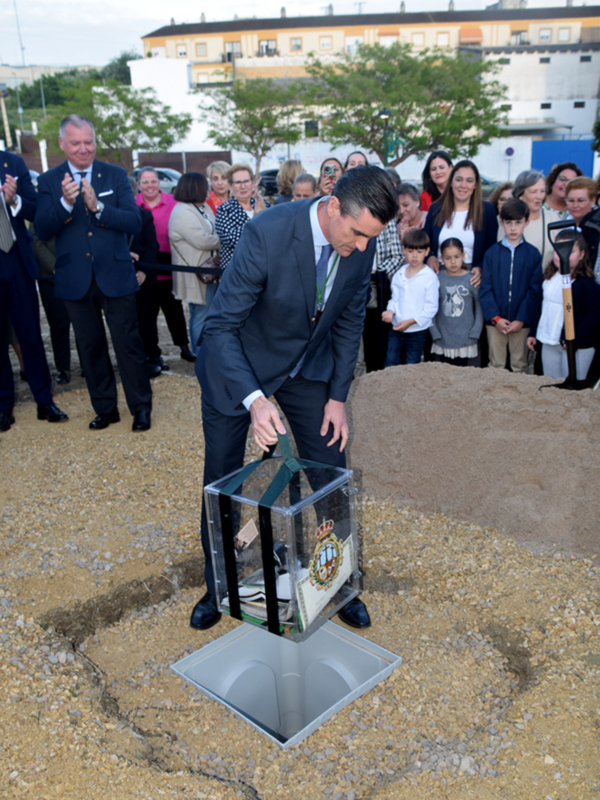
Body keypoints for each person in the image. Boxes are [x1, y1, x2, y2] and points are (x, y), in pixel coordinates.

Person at [190, 166, 398, 631]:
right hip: (240, 365)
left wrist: (337, 397)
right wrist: (254, 399)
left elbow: (348, 324)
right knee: (223, 481)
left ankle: (338, 578)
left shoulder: (360, 245)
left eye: (372, 238)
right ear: (333, 206)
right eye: (359, 233)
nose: (363, 247)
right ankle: (217, 583)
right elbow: (220, 326)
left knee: (331, 473)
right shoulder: (267, 231)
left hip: (306, 369)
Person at [35, 114, 152, 431]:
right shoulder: (49, 181)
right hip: (75, 279)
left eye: (89, 142)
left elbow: (133, 221)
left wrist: (98, 207)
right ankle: (105, 408)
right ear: (62, 144)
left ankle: (140, 407)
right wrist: (65, 203)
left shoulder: (114, 174)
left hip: (114, 274)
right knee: (90, 346)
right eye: (76, 143)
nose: (83, 149)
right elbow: (42, 228)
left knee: (128, 344)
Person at [0, 149, 68, 432]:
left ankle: (44, 400)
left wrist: (13, 199)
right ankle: (4, 406)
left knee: (30, 335)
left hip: (16, 259)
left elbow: (35, 208)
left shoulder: (12, 162)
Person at [135, 167, 195, 368]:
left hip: (170, 264)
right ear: (138, 185)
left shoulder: (173, 202)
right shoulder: (133, 206)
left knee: (174, 311)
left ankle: (184, 347)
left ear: (159, 182)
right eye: (145, 182)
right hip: (144, 267)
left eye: (153, 181)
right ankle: (154, 353)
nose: (150, 185)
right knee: (147, 314)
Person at [479, 198, 542, 374]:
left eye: (518, 223)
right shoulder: (492, 253)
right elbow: (485, 289)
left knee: (519, 365)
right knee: (496, 365)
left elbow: (534, 291)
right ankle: (495, 400)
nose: (513, 228)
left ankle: (518, 401)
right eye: (509, 223)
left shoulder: (533, 254)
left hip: (521, 323)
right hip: (496, 323)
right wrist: (496, 318)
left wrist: (521, 319)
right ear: (501, 223)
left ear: (526, 223)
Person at [527, 230, 600, 380]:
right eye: (558, 250)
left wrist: (574, 338)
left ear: (581, 254)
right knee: (553, 385)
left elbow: (593, 315)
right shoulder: (549, 278)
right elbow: (540, 308)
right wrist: (533, 332)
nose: (563, 255)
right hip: (549, 342)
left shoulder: (587, 285)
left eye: (570, 251)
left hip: (576, 347)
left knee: (572, 389)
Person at [169, 172, 221, 356]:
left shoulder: (202, 207)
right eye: (205, 185)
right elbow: (204, 240)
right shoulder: (183, 211)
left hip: (210, 272)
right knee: (200, 314)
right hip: (196, 274)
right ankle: (200, 354)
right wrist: (230, 239)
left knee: (208, 313)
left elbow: (214, 232)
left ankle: (208, 352)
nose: (209, 188)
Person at [424, 159, 498, 286]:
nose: (463, 185)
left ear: (475, 185)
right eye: (459, 179)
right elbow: (424, 243)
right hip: (439, 276)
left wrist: (481, 268)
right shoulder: (436, 209)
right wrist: (429, 257)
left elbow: (492, 249)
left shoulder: (487, 210)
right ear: (451, 182)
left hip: (473, 279)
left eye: (469, 181)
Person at [382, 228, 439, 367]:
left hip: (416, 331)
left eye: (419, 252)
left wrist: (411, 322)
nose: (415, 256)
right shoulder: (399, 274)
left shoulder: (429, 277)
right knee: (391, 361)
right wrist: (390, 311)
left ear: (427, 251)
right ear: (404, 250)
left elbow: (431, 308)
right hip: (396, 327)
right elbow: (394, 299)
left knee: (412, 364)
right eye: (411, 251)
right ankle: (390, 388)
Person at [430, 238, 483, 367]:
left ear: (464, 256)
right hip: (443, 337)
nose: (453, 262)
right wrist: (434, 332)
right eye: (448, 258)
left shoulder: (471, 279)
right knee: (445, 373)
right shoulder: (437, 278)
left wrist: (475, 332)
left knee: (463, 374)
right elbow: (430, 306)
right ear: (441, 258)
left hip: (466, 338)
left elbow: (479, 308)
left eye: (457, 257)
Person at [127, 175, 160, 378]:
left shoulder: (144, 216)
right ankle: (134, 360)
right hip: (120, 276)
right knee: (129, 321)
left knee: (148, 317)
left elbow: (152, 246)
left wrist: (144, 271)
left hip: (144, 276)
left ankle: (153, 356)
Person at [33, 231, 77, 384]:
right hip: (50, 276)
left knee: (84, 322)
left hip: (78, 271)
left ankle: (88, 364)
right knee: (58, 323)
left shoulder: (79, 206)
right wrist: (54, 266)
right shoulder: (41, 206)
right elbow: (36, 241)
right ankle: (63, 368)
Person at [215, 163, 269, 270]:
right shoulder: (224, 210)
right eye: (238, 183)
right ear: (230, 186)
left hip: (263, 268)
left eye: (246, 181)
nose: (243, 186)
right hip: (237, 271)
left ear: (253, 183)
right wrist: (255, 219)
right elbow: (231, 240)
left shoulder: (264, 204)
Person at [511, 170, 559, 270]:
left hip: (546, 281)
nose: (539, 196)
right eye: (534, 192)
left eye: (542, 191)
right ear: (520, 194)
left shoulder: (553, 218)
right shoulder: (505, 220)